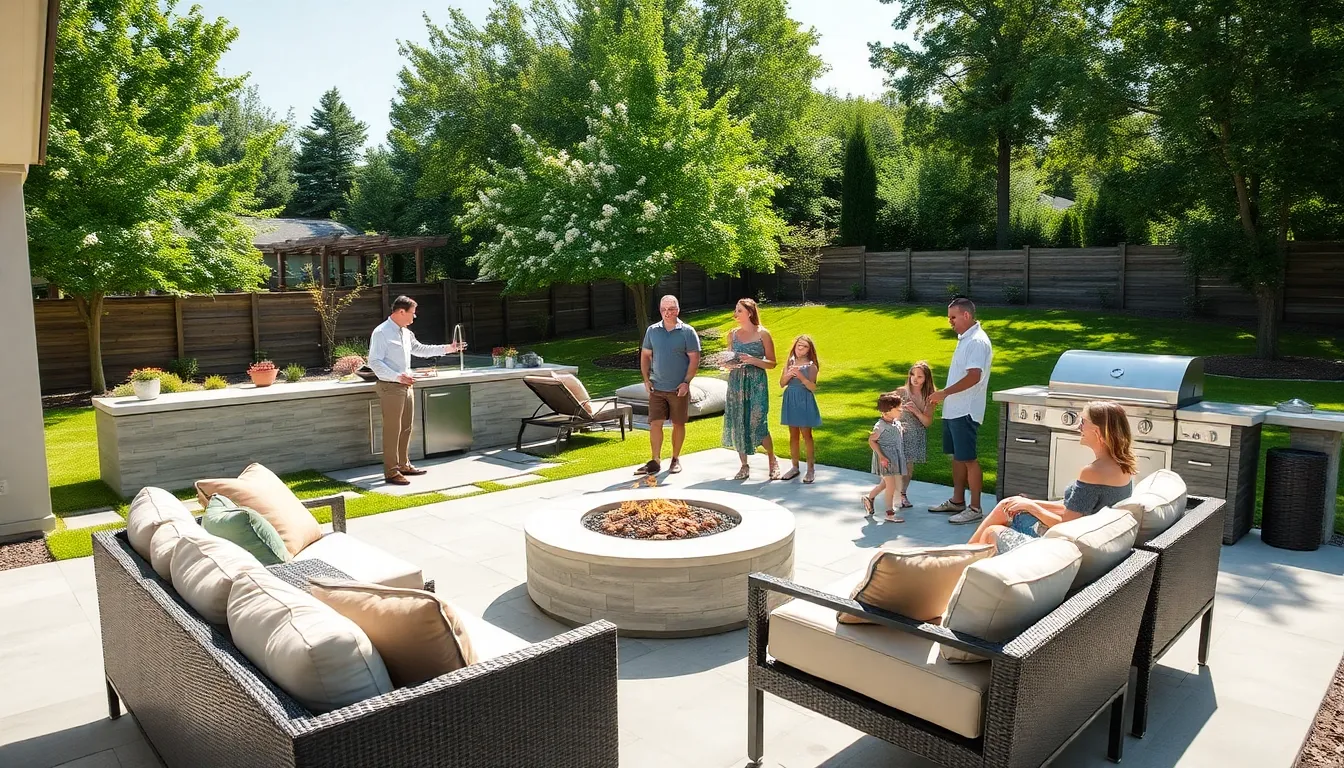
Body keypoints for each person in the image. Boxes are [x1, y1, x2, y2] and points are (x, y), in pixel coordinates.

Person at [968, 401, 1137, 552]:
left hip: (1061, 545)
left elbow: (1066, 524)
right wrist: (1029, 503)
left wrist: (1032, 508)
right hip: (1090, 538)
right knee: (1007, 504)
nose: (1079, 427)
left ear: (1098, 431)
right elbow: (1074, 509)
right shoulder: (1123, 466)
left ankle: (960, 560)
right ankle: (962, 555)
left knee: (992, 532)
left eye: (1083, 422)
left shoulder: (1092, 472)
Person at [368, 296, 465, 485]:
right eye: (413, 312)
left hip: (406, 386)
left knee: (406, 428)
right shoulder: (381, 332)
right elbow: (374, 362)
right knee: (392, 430)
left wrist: (448, 348)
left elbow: (420, 350)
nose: (415, 316)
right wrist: (397, 377)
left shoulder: (405, 333)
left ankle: (404, 465)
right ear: (401, 312)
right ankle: (391, 472)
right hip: (391, 387)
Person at [927, 297, 994, 524]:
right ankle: (957, 501)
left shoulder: (977, 341)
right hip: (954, 409)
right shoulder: (965, 339)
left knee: (969, 459)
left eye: (953, 317)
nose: (950, 322)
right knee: (957, 457)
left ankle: (975, 508)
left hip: (966, 410)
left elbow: (974, 377)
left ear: (966, 315)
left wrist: (944, 393)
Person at [637, 295, 701, 475]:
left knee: (678, 424)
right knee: (655, 423)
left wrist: (686, 382)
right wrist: (646, 379)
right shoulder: (652, 331)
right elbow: (645, 356)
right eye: (664, 310)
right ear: (660, 310)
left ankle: (675, 459)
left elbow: (694, 359)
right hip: (657, 388)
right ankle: (655, 460)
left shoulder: (687, 332)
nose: (667, 313)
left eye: (671, 309)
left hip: (678, 389)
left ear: (677, 310)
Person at [722, 298, 779, 480]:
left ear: (749, 312)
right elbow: (729, 358)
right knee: (738, 421)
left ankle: (772, 459)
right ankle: (744, 465)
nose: (735, 314)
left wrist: (753, 360)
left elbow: (772, 363)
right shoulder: (732, 334)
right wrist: (727, 364)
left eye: (739, 311)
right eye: (735, 310)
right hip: (737, 383)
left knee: (757, 421)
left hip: (756, 383)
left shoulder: (763, 334)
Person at [778, 334, 822, 483]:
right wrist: (789, 374)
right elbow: (782, 384)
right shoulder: (789, 362)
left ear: (809, 350)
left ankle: (810, 470)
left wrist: (801, 377)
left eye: (804, 346)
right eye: (799, 345)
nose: (800, 349)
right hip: (790, 399)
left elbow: (812, 387)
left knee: (807, 435)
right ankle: (794, 467)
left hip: (804, 400)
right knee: (793, 435)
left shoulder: (811, 366)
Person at [862, 390, 908, 522]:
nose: (901, 411)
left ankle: (869, 498)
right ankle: (889, 513)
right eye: (898, 409)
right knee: (891, 486)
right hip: (886, 460)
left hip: (894, 457)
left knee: (885, 484)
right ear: (887, 411)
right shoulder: (880, 426)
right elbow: (871, 441)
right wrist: (881, 456)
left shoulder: (894, 422)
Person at [896, 361, 934, 509]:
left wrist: (916, 411)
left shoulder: (930, 398)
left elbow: (927, 422)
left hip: (915, 434)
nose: (915, 379)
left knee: (908, 467)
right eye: (912, 375)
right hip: (898, 433)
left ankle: (902, 494)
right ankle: (887, 493)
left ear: (926, 379)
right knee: (894, 466)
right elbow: (886, 409)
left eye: (920, 376)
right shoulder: (901, 392)